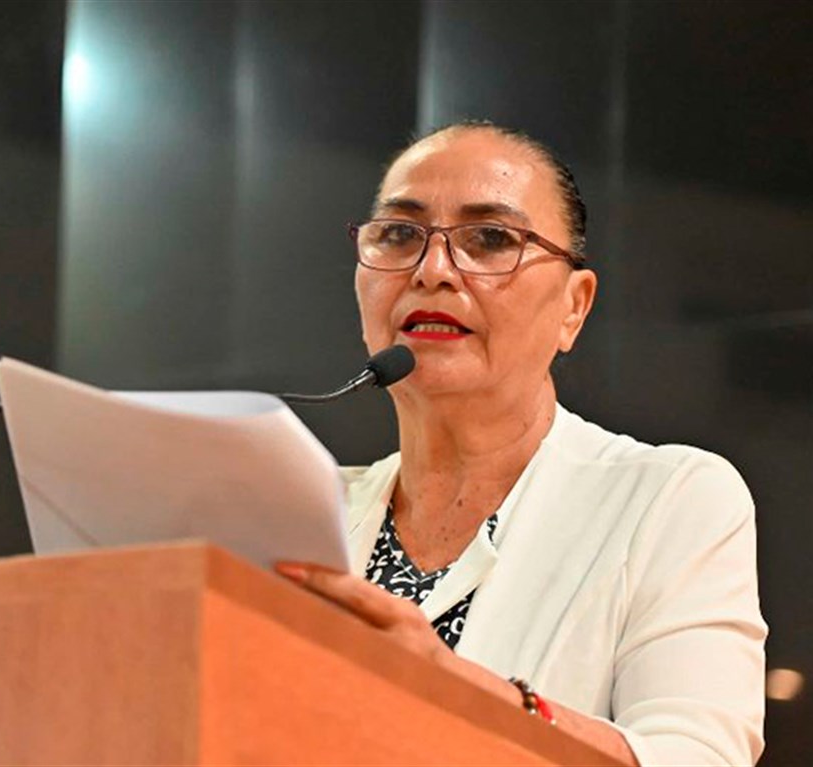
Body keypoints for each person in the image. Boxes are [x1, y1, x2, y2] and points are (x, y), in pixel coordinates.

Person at [274, 122, 766, 767]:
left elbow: (696, 757)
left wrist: (454, 691)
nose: (433, 270)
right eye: (399, 234)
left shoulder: (670, 495)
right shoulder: (298, 509)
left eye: (491, 239)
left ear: (573, 307)